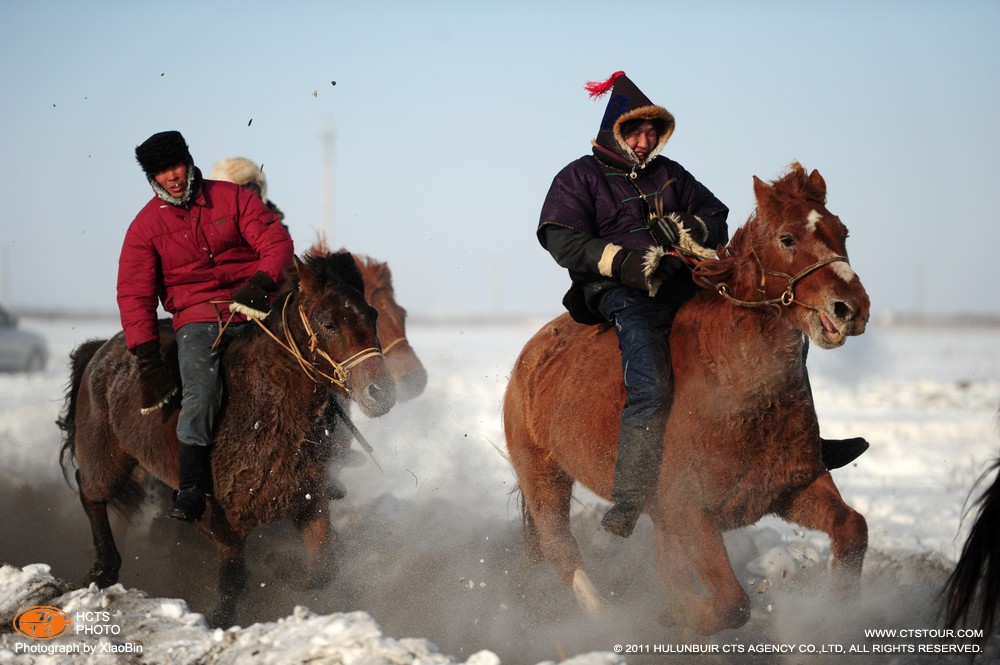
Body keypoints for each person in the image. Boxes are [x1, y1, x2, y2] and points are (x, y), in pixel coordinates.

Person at [538, 71, 868, 539]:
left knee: (780, 331)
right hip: (623, 292)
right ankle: (630, 495)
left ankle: (804, 445)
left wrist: (683, 228)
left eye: (653, 132)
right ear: (616, 130)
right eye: (636, 131)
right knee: (650, 381)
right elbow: (562, 239)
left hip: (683, 283)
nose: (645, 140)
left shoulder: (671, 175)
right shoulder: (579, 177)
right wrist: (629, 263)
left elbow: (716, 217)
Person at [119, 131, 294, 522]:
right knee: (200, 390)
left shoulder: (233, 199)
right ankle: (193, 487)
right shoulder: (144, 228)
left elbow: (276, 241)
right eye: (162, 172)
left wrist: (263, 282)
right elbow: (134, 295)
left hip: (256, 304)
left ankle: (321, 458)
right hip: (199, 317)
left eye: (176, 166)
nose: (173, 177)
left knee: (309, 359)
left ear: (189, 160)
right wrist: (147, 357)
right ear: (152, 177)